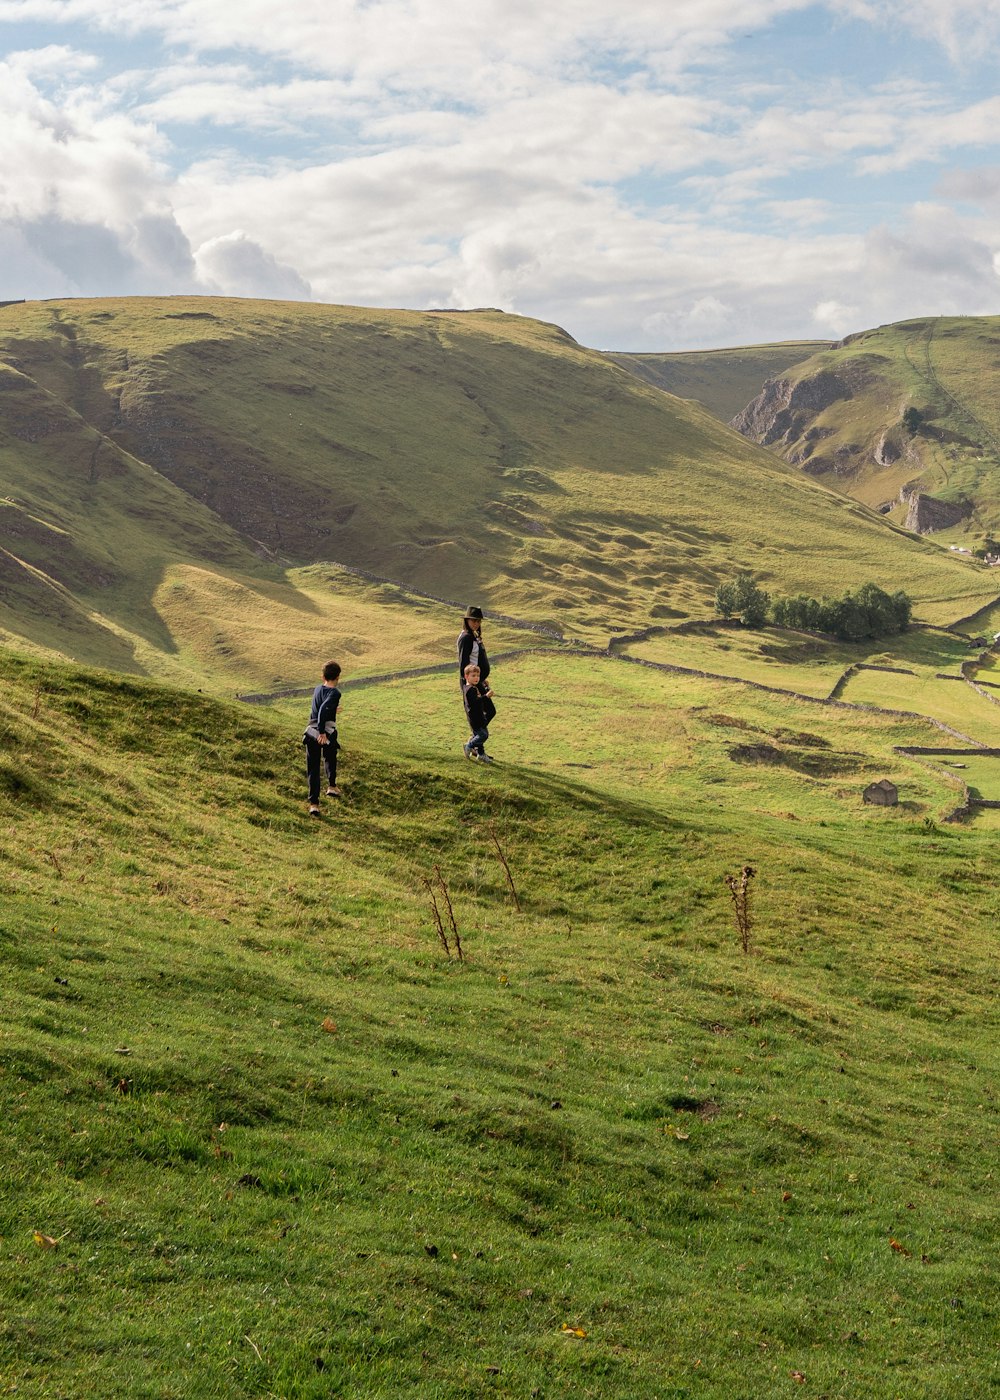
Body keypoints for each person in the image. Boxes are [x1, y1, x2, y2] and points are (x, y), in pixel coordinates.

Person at [303, 661, 342, 817]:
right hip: (323, 733)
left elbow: (320, 707)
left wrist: (333, 708)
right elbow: (322, 712)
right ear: (338, 677)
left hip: (310, 732)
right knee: (330, 756)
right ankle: (331, 786)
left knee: (312, 768)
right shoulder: (335, 693)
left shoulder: (318, 689)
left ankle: (314, 804)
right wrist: (322, 733)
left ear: (323, 676)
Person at [462, 663, 496, 763]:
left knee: (483, 734)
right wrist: (486, 696)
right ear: (466, 676)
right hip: (475, 719)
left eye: (477, 676)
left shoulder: (471, 688)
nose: (476, 678)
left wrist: (485, 688)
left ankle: (481, 754)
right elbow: (475, 703)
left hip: (479, 717)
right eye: (473, 676)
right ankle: (469, 745)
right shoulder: (470, 690)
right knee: (483, 735)